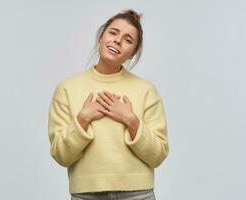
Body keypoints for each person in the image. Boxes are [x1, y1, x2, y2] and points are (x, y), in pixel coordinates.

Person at [47, 9, 169, 200]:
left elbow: (158, 155)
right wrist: (83, 118)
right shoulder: (67, 89)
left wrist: (131, 119)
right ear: (101, 37)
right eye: (113, 33)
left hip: (137, 194)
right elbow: (61, 155)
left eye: (128, 40)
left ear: (133, 53)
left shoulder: (146, 90)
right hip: (86, 194)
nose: (118, 40)